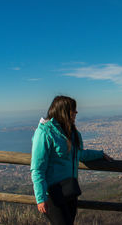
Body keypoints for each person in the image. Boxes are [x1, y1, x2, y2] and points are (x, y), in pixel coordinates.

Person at [31, 95, 112, 225]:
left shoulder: (72, 132)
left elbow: (79, 155)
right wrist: (40, 198)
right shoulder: (45, 133)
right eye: (73, 110)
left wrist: (100, 154)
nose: (76, 113)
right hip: (53, 193)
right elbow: (37, 168)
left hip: (70, 190)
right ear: (63, 111)